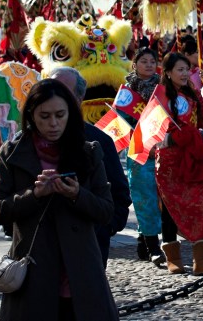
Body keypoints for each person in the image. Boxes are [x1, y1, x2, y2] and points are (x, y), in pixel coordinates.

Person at [0, 79, 119, 320]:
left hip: (80, 271)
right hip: (34, 271)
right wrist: (34, 195)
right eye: (45, 116)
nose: (53, 123)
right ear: (31, 115)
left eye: (60, 115)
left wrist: (77, 195)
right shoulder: (13, 153)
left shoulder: (88, 151)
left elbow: (106, 211)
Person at [49, 67, 131, 269]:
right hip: (44, 250)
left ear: (79, 98)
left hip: (87, 250)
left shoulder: (98, 140)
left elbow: (119, 196)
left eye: (62, 92)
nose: (54, 98)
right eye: (50, 90)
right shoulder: (24, 142)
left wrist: (103, 229)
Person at [155, 53, 203, 275]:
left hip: (193, 157)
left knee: (202, 204)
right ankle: (173, 259)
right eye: (179, 69)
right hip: (170, 161)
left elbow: (202, 123)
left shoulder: (194, 95)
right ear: (168, 72)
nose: (184, 73)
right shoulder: (160, 96)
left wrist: (198, 134)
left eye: (187, 69)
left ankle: (200, 260)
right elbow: (154, 129)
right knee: (170, 209)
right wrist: (173, 138)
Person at [113, 48, 165, 265]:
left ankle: (144, 239)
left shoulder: (163, 89)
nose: (149, 65)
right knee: (144, 197)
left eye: (152, 61)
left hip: (163, 147)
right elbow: (119, 122)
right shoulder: (126, 92)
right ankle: (154, 246)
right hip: (139, 149)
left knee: (162, 197)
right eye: (144, 61)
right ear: (134, 65)